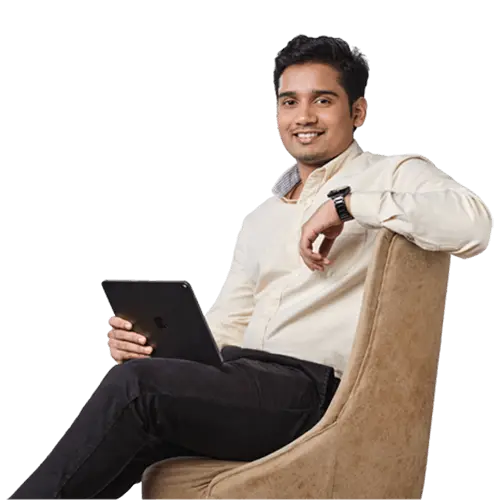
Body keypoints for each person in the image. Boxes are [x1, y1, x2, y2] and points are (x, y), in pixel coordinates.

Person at [10, 34, 492, 499]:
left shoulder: (389, 174)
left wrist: (346, 205)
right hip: (246, 383)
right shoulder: (265, 212)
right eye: (289, 102)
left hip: (315, 393)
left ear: (358, 110)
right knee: (134, 413)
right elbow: (230, 322)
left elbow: (478, 224)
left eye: (322, 100)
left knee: (137, 391)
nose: (303, 116)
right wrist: (158, 349)